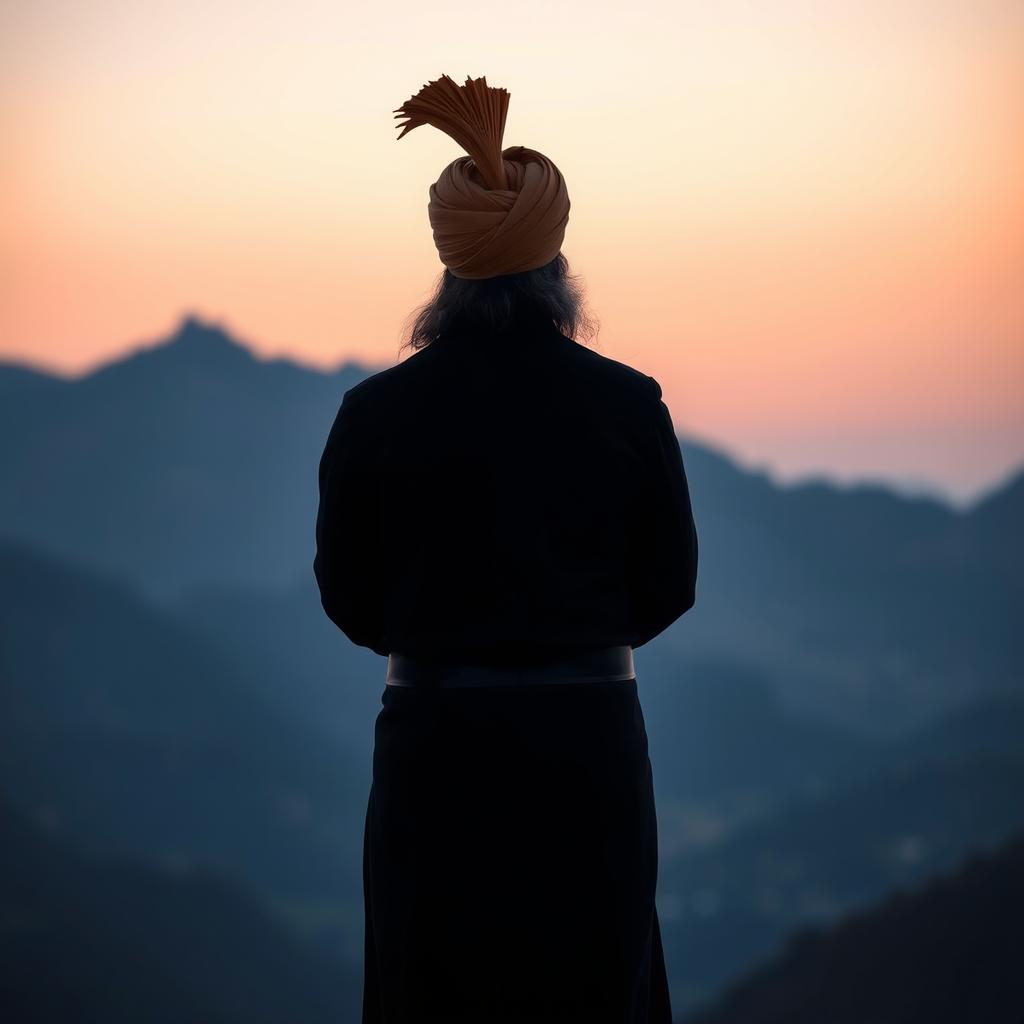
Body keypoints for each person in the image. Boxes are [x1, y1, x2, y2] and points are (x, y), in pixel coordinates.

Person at [313, 73, 699, 1024]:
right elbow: (670, 583)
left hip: (434, 749)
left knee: (429, 989)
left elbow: (349, 597)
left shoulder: (376, 415)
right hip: (590, 748)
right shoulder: (626, 403)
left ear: (450, 270)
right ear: (555, 266)